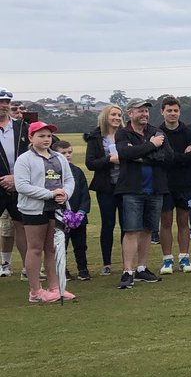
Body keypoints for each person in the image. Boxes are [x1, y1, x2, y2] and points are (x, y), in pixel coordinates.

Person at [115, 99, 172, 290]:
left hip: (155, 189)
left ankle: (142, 268)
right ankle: (127, 271)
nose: (144, 114)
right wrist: (152, 146)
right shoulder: (123, 133)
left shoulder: (157, 132)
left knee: (148, 230)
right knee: (131, 230)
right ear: (129, 113)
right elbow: (124, 153)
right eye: (140, 111)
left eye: (146, 111)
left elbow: (168, 157)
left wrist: (141, 154)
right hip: (132, 189)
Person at [15, 121, 74, 303]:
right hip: (34, 209)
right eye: (41, 136)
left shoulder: (59, 157)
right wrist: (49, 194)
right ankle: (35, 291)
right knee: (35, 248)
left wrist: (65, 194)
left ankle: (55, 287)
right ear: (31, 138)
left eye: (48, 136)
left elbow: (69, 179)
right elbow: (22, 186)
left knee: (52, 249)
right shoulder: (24, 159)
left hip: (55, 208)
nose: (46, 139)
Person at [156, 96, 191, 274]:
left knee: (183, 222)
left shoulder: (189, 132)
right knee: (165, 223)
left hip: (185, 184)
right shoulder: (157, 133)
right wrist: (181, 156)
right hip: (164, 184)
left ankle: (184, 258)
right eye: (169, 110)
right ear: (162, 112)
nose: (172, 113)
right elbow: (160, 158)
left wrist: (173, 157)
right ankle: (167, 260)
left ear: (179, 112)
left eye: (175, 110)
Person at [83, 104, 124, 277]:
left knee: (127, 226)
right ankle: (106, 263)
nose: (116, 117)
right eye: (113, 114)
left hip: (125, 186)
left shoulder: (126, 134)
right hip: (105, 187)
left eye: (119, 115)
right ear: (105, 117)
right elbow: (90, 163)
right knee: (108, 225)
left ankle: (126, 261)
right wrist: (110, 159)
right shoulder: (96, 137)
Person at [0, 88, 30, 279]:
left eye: (6, 102)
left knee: (22, 225)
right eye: (0, 102)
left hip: (19, 184)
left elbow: (32, 153)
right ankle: (5, 264)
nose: (4, 105)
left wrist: (15, 178)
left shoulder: (22, 127)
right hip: (1, 183)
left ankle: (29, 267)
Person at [52, 139, 91, 282]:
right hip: (60, 217)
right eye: (63, 153)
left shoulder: (77, 171)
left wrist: (82, 211)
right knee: (61, 245)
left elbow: (84, 193)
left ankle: (83, 269)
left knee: (80, 244)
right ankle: (62, 270)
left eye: (69, 152)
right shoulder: (52, 172)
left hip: (78, 216)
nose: (67, 155)